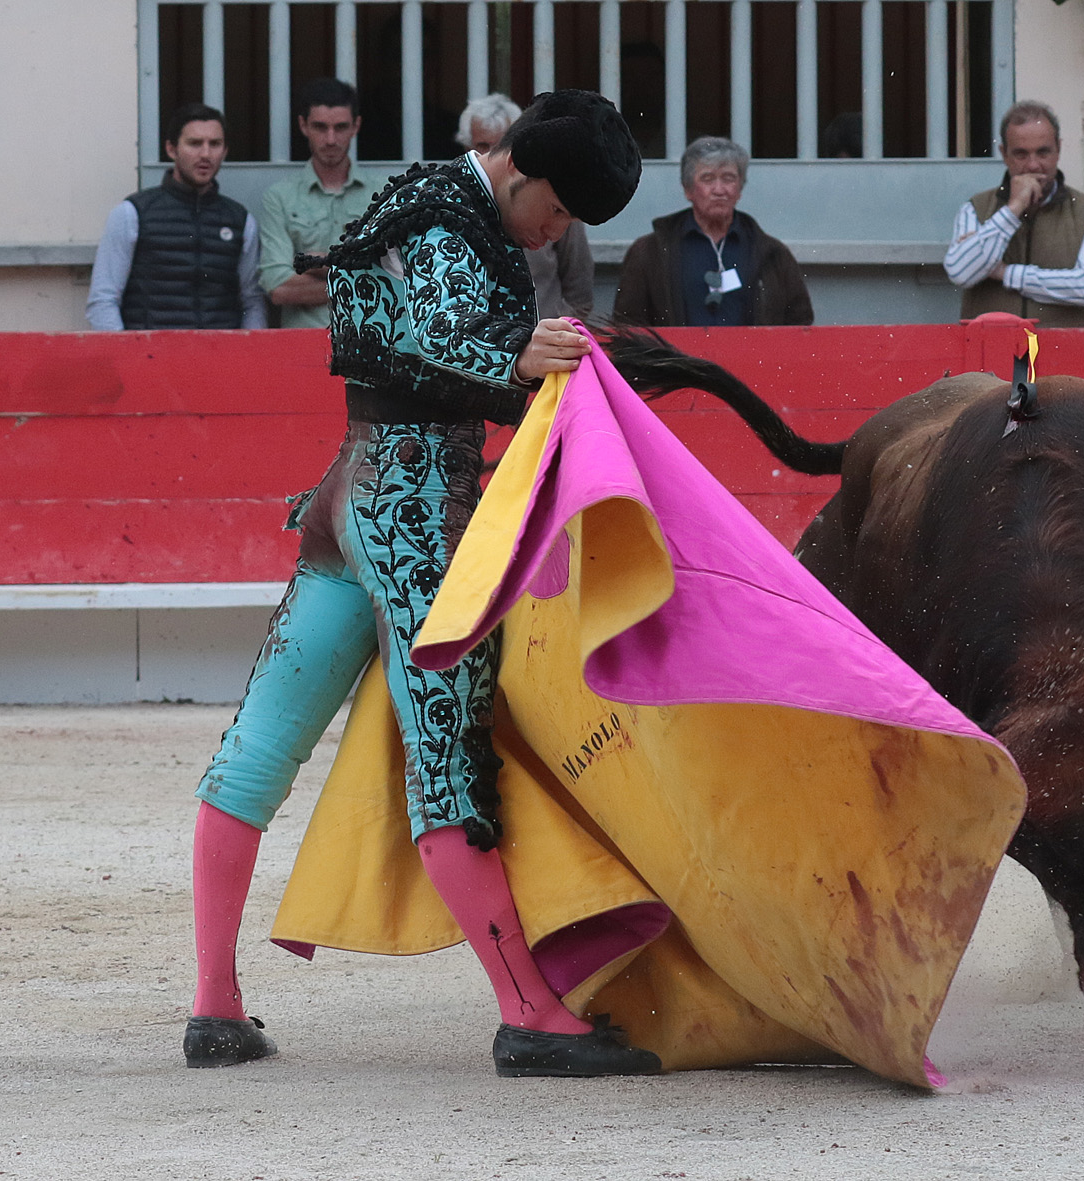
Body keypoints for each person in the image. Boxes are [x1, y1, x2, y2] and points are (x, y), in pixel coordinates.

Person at [182, 89, 662, 1079]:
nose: (554, 231)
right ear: (524, 173)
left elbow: (381, 328)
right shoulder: (452, 217)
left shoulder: (421, 196)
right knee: (446, 758)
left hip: (347, 498)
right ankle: (528, 1011)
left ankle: (214, 1007)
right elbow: (438, 334)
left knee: (257, 747)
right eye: (560, 211)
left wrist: (520, 355)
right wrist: (516, 355)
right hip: (411, 517)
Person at [86, 103, 266, 330]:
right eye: (194, 143)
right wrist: (129, 360)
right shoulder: (132, 214)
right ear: (171, 149)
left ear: (225, 151)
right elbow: (103, 300)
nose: (205, 154)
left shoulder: (241, 220)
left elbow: (252, 301)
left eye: (215, 144)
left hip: (220, 359)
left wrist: (248, 355)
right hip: (150, 358)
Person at [614, 136, 813, 326]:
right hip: (678, 361)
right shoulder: (650, 251)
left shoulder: (772, 253)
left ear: (740, 189)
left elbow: (800, 321)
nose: (719, 190)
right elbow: (628, 324)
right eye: (707, 179)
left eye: (728, 178)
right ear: (688, 189)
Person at [943, 101, 1084, 326]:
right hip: (991, 353)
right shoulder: (976, 207)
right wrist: (1013, 210)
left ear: (1058, 150)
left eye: (1043, 152)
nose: (1033, 165)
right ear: (1004, 154)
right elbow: (961, 272)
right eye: (1021, 154)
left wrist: (1005, 273)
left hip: (1062, 355)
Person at [456, 93, 594, 320]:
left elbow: (579, 289)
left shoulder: (555, 201)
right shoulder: (450, 207)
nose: (492, 156)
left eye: (501, 146)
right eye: (483, 146)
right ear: (466, 147)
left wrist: (553, 333)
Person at [256, 78, 371, 329]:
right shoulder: (280, 197)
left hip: (371, 343)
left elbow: (400, 279)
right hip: (302, 347)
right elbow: (280, 288)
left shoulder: (381, 194)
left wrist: (322, 262)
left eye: (340, 127)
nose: (331, 139)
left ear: (356, 126)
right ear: (303, 125)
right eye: (320, 127)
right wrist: (360, 278)